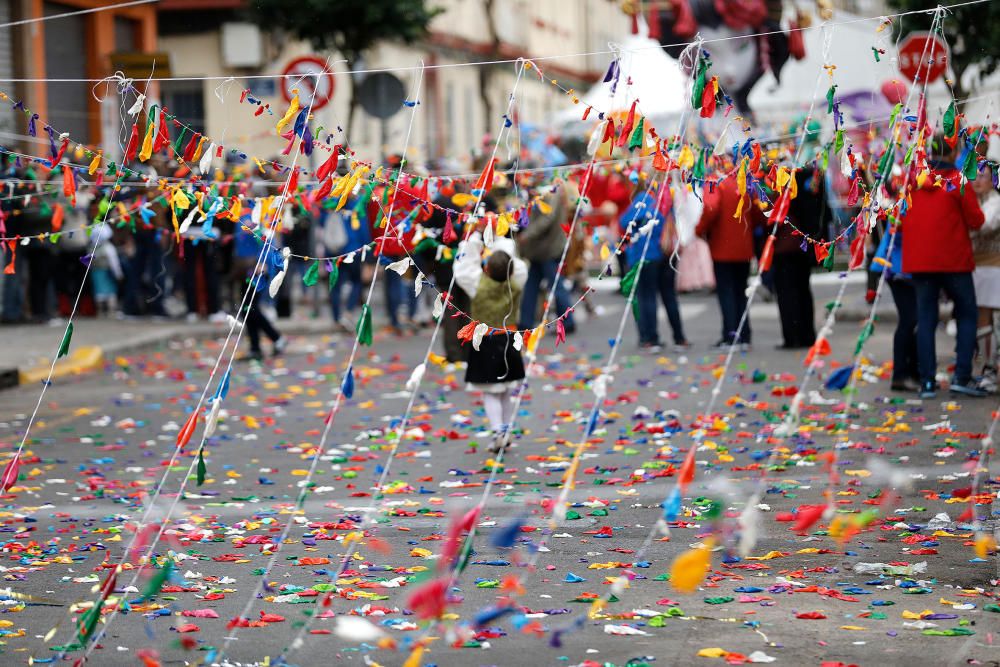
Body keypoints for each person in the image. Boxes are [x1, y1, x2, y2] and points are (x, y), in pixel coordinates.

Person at [902, 136, 985, 398]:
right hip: (954, 260)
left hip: (920, 261)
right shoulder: (957, 180)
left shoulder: (912, 181)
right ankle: (962, 376)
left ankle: (927, 381)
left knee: (926, 318)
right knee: (967, 313)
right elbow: (977, 221)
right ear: (953, 153)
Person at [454, 230, 527, 453]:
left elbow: (462, 267)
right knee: (505, 391)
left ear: (486, 268)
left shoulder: (478, 284)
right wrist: (500, 239)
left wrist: (476, 238)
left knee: (490, 392)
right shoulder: (516, 281)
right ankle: (505, 430)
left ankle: (498, 431)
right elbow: (516, 263)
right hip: (510, 340)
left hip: (486, 343)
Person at [697, 173, 765, 349]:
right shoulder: (744, 180)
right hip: (743, 246)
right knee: (740, 292)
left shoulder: (715, 181)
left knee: (726, 293)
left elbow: (711, 207)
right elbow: (758, 210)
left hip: (722, 247)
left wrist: (699, 230)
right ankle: (744, 335)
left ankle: (731, 336)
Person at [771, 167, 829, 349]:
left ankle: (792, 336)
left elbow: (773, 219)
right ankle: (807, 334)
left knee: (787, 294)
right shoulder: (812, 179)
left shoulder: (786, 187)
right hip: (805, 245)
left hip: (786, 247)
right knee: (803, 290)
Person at [517, 180, 574, 334]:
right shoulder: (545, 194)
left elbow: (546, 220)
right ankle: (525, 322)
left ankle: (567, 322)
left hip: (549, 249)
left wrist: (527, 235)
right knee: (533, 286)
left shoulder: (549, 195)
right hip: (539, 250)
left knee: (556, 286)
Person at [871, 223, 919, 391]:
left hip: (907, 265)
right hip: (899, 267)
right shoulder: (906, 200)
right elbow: (896, 232)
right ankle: (902, 374)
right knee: (910, 319)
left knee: (913, 320)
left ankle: (913, 372)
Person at [971, 154, 1000, 390]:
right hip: (977, 267)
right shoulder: (975, 201)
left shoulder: (994, 202)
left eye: (983, 176)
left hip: (994, 267)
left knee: (990, 319)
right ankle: (988, 367)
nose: (977, 180)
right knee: (983, 319)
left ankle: (990, 369)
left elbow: (985, 225)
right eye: (975, 176)